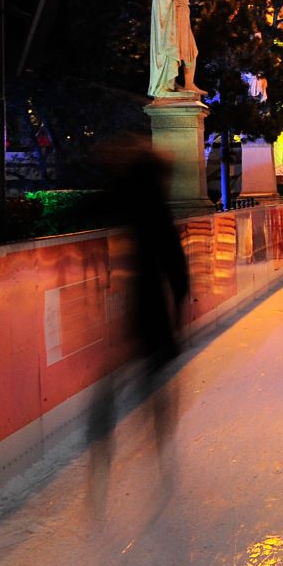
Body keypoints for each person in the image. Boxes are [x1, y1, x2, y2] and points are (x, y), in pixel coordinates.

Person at [87, 135, 191, 507]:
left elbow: (96, 205)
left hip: (122, 300)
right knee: (154, 380)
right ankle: (160, 442)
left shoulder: (124, 195)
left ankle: (100, 452)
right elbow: (174, 261)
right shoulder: (156, 206)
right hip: (149, 302)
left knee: (114, 379)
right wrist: (180, 306)